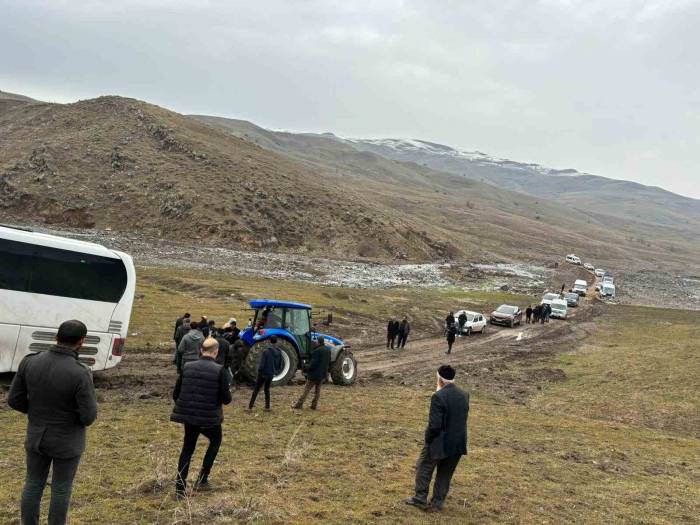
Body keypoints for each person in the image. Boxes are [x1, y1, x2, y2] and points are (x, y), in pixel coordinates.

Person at [8, 320, 98, 525]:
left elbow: (14, 400)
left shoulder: (30, 361)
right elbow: (88, 416)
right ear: (81, 342)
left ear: (56, 337)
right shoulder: (80, 372)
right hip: (67, 441)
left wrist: (37, 412)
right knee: (61, 488)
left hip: (36, 436)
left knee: (32, 483)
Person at [171, 337, 231, 498]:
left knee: (187, 449)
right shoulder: (220, 370)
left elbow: (176, 394)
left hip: (189, 418)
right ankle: (203, 478)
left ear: (201, 350)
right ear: (216, 351)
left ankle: (179, 490)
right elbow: (226, 399)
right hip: (209, 419)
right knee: (216, 441)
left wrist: (187, 407)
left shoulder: (187, 367)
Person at [405, 365, 469, 512]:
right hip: (458, 443)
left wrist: (428, 440)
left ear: (439, 379)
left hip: (439, 442)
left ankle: (420, 498)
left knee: (424, 467)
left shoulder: (438, 397)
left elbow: (435, 425)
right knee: (445, 473)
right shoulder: (464, 394)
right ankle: (438, 502)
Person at [293, 336, 331, 410]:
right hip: (322, 375)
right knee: (317, 391)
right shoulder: (328, 350)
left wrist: (306, 367)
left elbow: (313, 364)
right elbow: (327, 363)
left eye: (316, 341)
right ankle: (314, 405)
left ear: (318, 342)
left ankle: (299, 404)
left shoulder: (317, 351)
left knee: (306, 390)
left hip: (314, 375)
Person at [248, 336, 283, 411]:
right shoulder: (279, 351)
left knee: (256, 389)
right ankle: (267, 407)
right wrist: (275, 371)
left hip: (263, 373)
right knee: (267, 389)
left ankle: (250, 407)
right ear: (276, 341)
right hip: (271, 374)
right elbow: (280, 364)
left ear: (269, 341)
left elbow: (262, 364)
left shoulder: (266, 351)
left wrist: (259, 371)